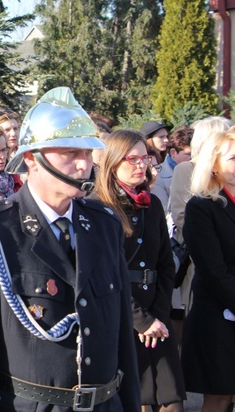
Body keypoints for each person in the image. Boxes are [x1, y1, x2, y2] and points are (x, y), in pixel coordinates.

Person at [0, 87, 140, 411]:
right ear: (32, 159)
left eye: (87, 154)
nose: (82, 164)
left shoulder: (104, 224)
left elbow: (122, 342)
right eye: (70, 153)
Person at [94, 129, 185, 411]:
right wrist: (141, 320)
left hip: (156, 313)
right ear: (112, 162)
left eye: (144, 159)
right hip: (122, 315)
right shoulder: (99, 207)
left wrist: (158, 315)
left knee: (171, 401)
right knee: (137, 400)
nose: (140, 165)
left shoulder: (152, 203)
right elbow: (103, 272)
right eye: (131, 159)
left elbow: (165, 265)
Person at [180, 128, 235, 411]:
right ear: (213, 164)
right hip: (219, 313)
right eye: (234, 158)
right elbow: (212, 269)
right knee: (221, 394)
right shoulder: (202, 207)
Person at [151, 126, 192, 210]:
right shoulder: (159, 176)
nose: (194, 158)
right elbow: (164, 212)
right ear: (173, 153)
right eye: (189, 154)